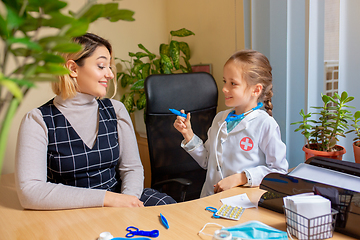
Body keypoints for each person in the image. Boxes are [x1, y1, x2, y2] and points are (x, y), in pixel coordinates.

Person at [15, 33, 175, 210]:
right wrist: (108, 199)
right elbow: (30, 191)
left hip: (122, 199)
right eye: (101, 66)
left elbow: (132, 169)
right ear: (73, 69)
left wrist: (127, 202)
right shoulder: (37, 121)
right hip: (70, 212)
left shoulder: (117, 110)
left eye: (109, 66)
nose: (110, 74)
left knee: (169, 209)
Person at [173, 49, 289, 197]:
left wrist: (240, 178)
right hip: (209, 199)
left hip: (242, 203)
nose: (224, 88)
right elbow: (207, 161)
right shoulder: (220, 120)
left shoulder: (265, 124)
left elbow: (279, 170)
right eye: (224, 81)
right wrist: (188, 134)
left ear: (256, 89)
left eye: (233, 83)